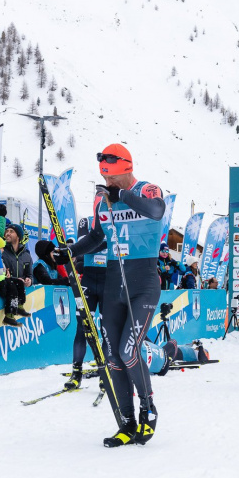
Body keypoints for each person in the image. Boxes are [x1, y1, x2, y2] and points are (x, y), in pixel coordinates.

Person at [70, 144, 165, 447]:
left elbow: (156, 212)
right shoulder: (102, 200)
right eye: (104, 178)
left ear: (126, 168)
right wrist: (67, 252)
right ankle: (126, 423)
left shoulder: (148, 190)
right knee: (112, 357)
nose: (107, 183)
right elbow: (97, 238)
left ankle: (148, 409)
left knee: (128, 351)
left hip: (143, 284)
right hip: (114, 286)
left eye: (112, 178)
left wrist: (121, 196)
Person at [65, 216, 108, 391]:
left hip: (108, 282)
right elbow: (84, 247)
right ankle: (76, 373)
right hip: (89, 282)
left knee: (107, 330)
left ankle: (106, 374)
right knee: (82, 328)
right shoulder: (88, 221)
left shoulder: (116, 220)